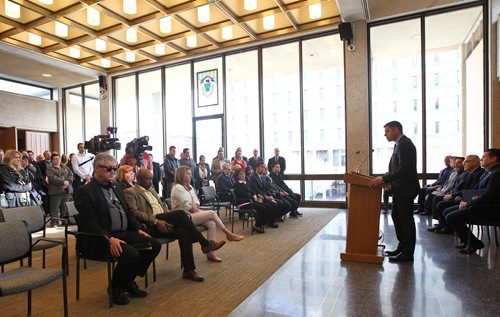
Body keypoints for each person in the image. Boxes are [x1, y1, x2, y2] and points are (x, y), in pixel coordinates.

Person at [74, 153, 161, 305]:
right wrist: (109, 238)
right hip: (100, 237)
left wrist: (138, 228)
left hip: (123, 232)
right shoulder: (85, 191)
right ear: (96, 169)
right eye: (109, 169)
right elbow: (89, 223)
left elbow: (128, 213)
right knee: (131, 254)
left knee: (154, 244)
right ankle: (115, 288)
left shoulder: (116, 188)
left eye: (114, 168)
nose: (113, 172)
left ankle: (127, 281)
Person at [124, 168, 226, 282]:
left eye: (151, 179)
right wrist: (156, 221)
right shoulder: (130, 192)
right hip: (151, 224)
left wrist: (168, 214)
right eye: (148, 179)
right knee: (181, 214)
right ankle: (205, 243)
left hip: (163, 218)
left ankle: (189, 270)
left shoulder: (152, 190)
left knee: (184, 232)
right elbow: (134, 213)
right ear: (139, 179)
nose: (151, 182)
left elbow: (163, 206)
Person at [369, 121, 419, 263]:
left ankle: (407, 254)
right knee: (397, 218)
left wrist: (384, 178)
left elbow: (405, 169)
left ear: (396, 130)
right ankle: (401, 248)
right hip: (399, 189)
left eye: (387, 131)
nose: (385, 134)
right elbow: (396, 169)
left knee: (405, 221)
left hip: (406, 189)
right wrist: (386, 179)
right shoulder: (399, 144)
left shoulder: (405, 144)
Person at [170, 166, 244, 262]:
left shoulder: (189, 187)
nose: (191, 176)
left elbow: (197, 202)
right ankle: (228, 234)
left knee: (212, 224)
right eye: (188, 174)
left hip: (193, 213)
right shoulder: (177, 188)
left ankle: (210, 253)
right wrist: (193, 205)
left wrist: (194, 205)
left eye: (190, 174)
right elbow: (188, 207)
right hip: (183, 217)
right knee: (212, 213)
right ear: (181, 175)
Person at [444, 149, 500, 254]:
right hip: (481, 205)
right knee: (447, 212)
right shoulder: (488, 173)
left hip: (491, 209)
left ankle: (474, 243)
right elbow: (477, 191)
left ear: (494, 158)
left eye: (484, 157)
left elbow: (488, 196)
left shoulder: (497, 174)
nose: (481, 160)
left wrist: (468, 203)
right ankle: (468, 241)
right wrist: (465, 200)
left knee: (451, 217)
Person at [427, 154, 484, 233]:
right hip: (463, 197)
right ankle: (443, 224)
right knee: (437, 200)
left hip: (470, 201)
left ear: (474, 163)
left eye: (466, 161)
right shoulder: (470, 173)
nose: (464, 163)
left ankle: (448, 227)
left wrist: (457, 196)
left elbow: (473, 190)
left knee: (442, 205)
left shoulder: (478, 173)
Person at [233, 168, 271, 233]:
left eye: (243, 173)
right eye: (241, 174)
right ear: (237, 176)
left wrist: (255, 195)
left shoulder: (245, 182)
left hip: (249, 201)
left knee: (267, 206)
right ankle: (257, 226)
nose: (243, 175)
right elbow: (243, 194)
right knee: (262, 208)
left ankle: (261, 224)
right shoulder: (237, 184)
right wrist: (253, 197)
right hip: (243, 203)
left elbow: (251, 191)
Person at [247, 162, 282, 228]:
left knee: (275, 203)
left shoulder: (262, 177)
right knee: (270, 205)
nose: (264, 168)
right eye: (262, 167)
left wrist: (269, 195)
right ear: (257, 168)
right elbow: (256, 190)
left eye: (264, 167)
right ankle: (262, 223)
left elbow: (265, 189)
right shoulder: (253, 177)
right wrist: (266, 197)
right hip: (257, 197)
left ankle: (269, 222)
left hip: (264, 196)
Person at [46, 153, 73, 228]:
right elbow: (52, 178)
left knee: (64, 207)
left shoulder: (65, 167)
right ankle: (54, 222)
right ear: (51, 161)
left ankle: (64, 220)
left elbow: (71, 175)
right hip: (55, 191)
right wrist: (63, 182)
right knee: (54, 207)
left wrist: (67, 182)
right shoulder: (49, 169)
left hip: (67, 190)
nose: (58, 160)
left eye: (59, 158)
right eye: (55, 159)